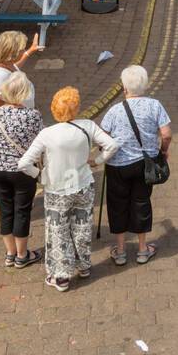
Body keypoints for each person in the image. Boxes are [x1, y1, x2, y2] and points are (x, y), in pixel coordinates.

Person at [18, 87, 119, 292]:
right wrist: (97, 161)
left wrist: (40, 175)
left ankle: (61, 277)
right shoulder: (87, 126)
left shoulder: (47, 134)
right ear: (76, 107)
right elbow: (112, 145)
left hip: (57, 190)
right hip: (83, 185)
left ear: (54, 109)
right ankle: (83, 267)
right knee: (82, 227)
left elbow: (23, 164)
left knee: (58, 232)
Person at [99, 66, 172, 266]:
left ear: (124, 88)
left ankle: (121, 251)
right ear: (145, 85)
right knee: (141, 202)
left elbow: (102, 137)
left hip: (117, 166)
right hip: (144, 164)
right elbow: (166, 134)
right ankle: (142, 249)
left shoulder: (114, 110)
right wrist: (163, 150)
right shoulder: (155, 106)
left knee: (117, 205)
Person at [0, 72, 44, 268]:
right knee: (22, 210)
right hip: (22, 169)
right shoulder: (33, 116)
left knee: (5, 210)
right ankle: (22, 255)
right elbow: (40, 143)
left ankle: (10, 253)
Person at [0, 31, 42, 141]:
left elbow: (15, 66)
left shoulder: (1, 63)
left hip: (14, 126)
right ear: (13, 53)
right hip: (9, 131)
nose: (24, 51)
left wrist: (30, 51)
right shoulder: (0, 76)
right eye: (22, 50)